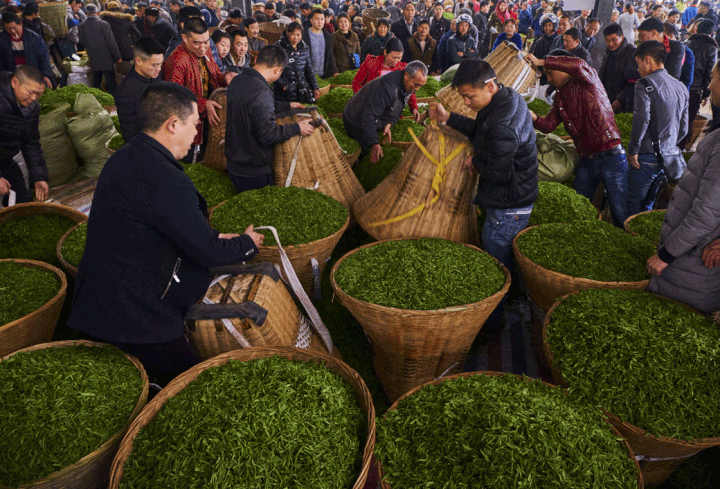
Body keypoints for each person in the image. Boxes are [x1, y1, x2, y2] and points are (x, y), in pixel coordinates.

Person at [67, 82, 264, 386]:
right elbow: (207, 253)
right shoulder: (167, 180)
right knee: (188, 383)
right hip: (133, 315)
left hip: (96, 297)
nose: (197, 134)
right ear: (173, 124)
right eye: (195, 124)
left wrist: (213, 234)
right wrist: (246, 244)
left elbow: (163, 223)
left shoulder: (124, 157)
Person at [429, 58, 537, 340]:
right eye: (463, 96)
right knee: (501, 256)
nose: (466, 102)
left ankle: (491, 323)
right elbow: (481, 131)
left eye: (469, 96)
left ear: (489, 86)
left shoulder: (504, 124)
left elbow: (499, 174)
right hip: (514, 195)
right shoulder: (505, 98)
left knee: (494, 263)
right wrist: (448, 117)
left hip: (509, 203)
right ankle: (508, 302)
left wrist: (477, 162)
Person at [646, 59, 720, 315]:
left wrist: (666, 255)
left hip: (694, 263)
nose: (709, 84)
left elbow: (705, 213)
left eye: (713, 77)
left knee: (674, 322)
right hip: (695, 256)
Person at [526, 50, 629, 227]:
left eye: (550, 73)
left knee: (619, 210)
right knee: (580, 205)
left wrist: (541, 61)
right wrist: (533, 116)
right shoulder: (560, 97)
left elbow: (578, 63)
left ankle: (628, 241)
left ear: (562, 68)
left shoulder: (587, 80)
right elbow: (549, 125)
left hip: (610, 156)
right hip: (586, 159)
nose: (548, 79)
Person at [225, 45, 314, 191]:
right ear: (278, 70)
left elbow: (252, 107)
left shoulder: (238, 80)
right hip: (253, 170)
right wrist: (298, 128)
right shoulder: (261, 91)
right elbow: (268, 134)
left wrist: (287, 106)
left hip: (234, 163)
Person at [627, 40, 688, 215]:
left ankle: (627, 236)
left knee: (632, 203)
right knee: (648, 204)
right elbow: (683, 128)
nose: (638, 70)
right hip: (668, 157)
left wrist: (633, 149)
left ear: (647, 60)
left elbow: (641, 119)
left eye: (639, 64)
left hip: (645, 156)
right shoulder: (680, 86)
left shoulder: (644, 84)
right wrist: (667, 143)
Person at [163, 17, 231, 161]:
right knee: (191, 162)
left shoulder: (206, 52)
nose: (203, 48)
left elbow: (215, 73)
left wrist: (226, 77)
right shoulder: (177, 61)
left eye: (206, 42)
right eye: (197, 43)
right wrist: (202, 104)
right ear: (184, 38)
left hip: (206, 119)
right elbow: (173, 99)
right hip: (189, 123)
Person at [343, 60, 427, 163]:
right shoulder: (388, 88)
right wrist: (374, 143)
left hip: (372, 116)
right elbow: (368, 115)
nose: (417, 89)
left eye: (420, 86)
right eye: (416, 84)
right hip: (355, 119)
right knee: (366, 154)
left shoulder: (407, 86)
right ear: (406, 75)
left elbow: (398, 109)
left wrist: (389, 123)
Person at [0, 66, 49, 206]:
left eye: (39, 94)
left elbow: (31, 142)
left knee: (23, 200)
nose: (34, 98)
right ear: (15, 82)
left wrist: (40, 177)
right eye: (31, 92)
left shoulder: (32, 108)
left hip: (6, 160)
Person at [115, 36, 165, 141]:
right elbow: (130, 134)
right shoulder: (125, 92)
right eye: (155, 65)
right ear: (138, 61)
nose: (159, 69)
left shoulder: (156, 76)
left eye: (160, 64)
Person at [684, 19, 717, 149]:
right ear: (712, 32)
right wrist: (706, 94)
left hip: (681, 86)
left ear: (696, 29)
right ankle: (683, 147)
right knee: (689, 119)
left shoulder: (687, 42)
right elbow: (710, 73)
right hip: (695, 90)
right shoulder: (711, 48)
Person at [0, 12, 53, 88]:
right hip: (12, 80)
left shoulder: (34, 38)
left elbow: (44, 58)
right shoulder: (2, 39)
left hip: (33, 77)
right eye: (8, 28)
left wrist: (46, 75)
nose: (12, 31)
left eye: (14, 27)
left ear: (20, 24)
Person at [79, 4, 122, 95]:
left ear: (86, 14)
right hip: (107, 58)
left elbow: (82, 41)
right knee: (111, 82)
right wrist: (118, 56)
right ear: (97, 12)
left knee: (96, 82)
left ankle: (98, 100)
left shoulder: (82, 26)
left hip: (93, 57)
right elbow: (111, 43)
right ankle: (113, 101)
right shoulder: (104, 24)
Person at [274, 22, 319, 104]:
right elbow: (274, 69)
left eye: (298, 35)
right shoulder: (278, 47)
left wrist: (315, 87)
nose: (296, 38)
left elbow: (309, 69)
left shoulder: (304, 48)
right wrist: (284, 86)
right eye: (293, 34)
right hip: (284, 93)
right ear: (288, 33)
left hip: (301, 90)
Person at [599, 23, 639, 114]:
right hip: (606, 99)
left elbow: (634, 81)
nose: (610, 44)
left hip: (623, 103)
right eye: (607, 40)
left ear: (622, 37)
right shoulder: (608, 52)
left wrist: (620, 99)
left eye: (614, 40)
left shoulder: (632, 52)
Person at [304, 8, 338, 79]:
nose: (319, 22)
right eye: (317, 19)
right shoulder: (304, 35)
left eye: (322, 19)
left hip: (323, 75)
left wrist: (335, 71)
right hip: (308, 76)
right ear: (311, 20)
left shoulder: (327, 35)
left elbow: (330, 54)